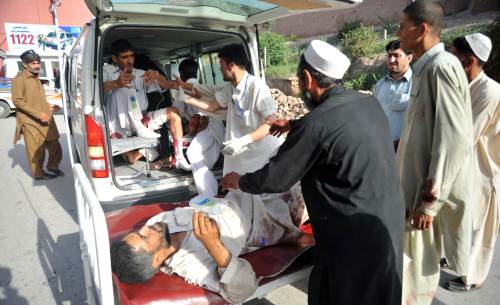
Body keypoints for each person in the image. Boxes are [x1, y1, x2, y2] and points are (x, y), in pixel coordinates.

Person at [220, 40, 405, 305]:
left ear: (307, 78)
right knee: (380, 290)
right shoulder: (368, 104)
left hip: (351, 232)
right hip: (387, 218)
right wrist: (295, 125)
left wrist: (239, 180)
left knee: (345, 294)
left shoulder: (316, 125)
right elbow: (336, 128)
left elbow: (276, 178)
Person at [395, 2, 473, 304]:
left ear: (422, 28)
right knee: (408, 267)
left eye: (403, 26)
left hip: (422, 195)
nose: (398, 33)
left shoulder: (442, 66)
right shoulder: (425, 67)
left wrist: (430, 201)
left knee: (419, 269)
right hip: (411, 189)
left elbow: (453, 138)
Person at [110, 190, 305, 304]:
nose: (145, 227)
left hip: (243, 193)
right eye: (144, 236)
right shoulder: (191, 265)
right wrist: (214, 245)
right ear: (157, 259)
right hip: (270, 217)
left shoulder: (159, 222)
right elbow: (243, 291)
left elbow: (202, 205)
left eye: (138, 232)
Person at [174, 44, 282, 176]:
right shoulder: (230, 89)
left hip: (264, 154)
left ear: (231, 65)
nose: (220, 68)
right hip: (243, 154)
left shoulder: (257, 86)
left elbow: (271, 122)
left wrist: (244, 140)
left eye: (221, 64)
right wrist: (186, 99)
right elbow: (212, 107)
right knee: (240, 190)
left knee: (263, 193)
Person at [447, 33, 500, 292]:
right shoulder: (466, 85)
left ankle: (473, 277)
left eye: (454, 58)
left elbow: (465, 133)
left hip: (484, 169)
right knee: (460, 217)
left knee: (480, 224)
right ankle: (456, 258)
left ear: (468, 61)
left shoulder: (490, 91)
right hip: (465, 164)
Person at [103, 39, 190, 170]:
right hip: (116, 128)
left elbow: (168, 85)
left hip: (141, 121)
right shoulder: (106, 71)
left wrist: (158, 76)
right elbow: (92, 89)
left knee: (174, 113)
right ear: (114, 58)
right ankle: (133, 154)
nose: (130, 61)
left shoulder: (139, 73)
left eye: (132, 56)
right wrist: (116, 83)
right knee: (154, 147)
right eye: (124, 57)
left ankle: (178, 157)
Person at [171, 58, 225, 196]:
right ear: (197, 73)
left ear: (181, 74)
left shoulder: (182, 90)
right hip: (219, 128)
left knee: (194, 157)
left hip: (204, 129)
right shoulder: (204, 86)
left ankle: (209, 196)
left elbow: (176, 114)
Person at [12, 50, 64, 180]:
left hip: (45, 117)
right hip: (30, 121)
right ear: (25, 64)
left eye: (38, 63)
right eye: (33, 63)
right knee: (36, 150)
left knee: (54, 144)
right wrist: (38, 114)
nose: (37, 65)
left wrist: (50, 106)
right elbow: (17, 100)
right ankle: (39, 174)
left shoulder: (36, 78)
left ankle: (53, 166)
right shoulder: (20, 79)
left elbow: (38, 99)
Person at [373, 39, 413, 150]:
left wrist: (399, 144)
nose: (391, 60)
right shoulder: (380, 85)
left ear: (409, 58)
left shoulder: (416, 84)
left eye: (396, 55)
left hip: (406, 150)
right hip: (381, 148)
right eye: (389, 55)